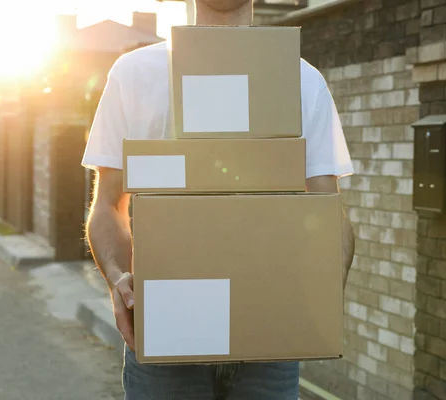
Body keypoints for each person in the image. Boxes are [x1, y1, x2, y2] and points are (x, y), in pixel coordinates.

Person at [82, 0, 355, 398]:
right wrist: (117, 279)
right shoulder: (134, 74)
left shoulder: (302, 80)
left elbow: (328, 211)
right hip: (167, 326)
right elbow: (107, 206)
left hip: (269, 335)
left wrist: (320, 300)